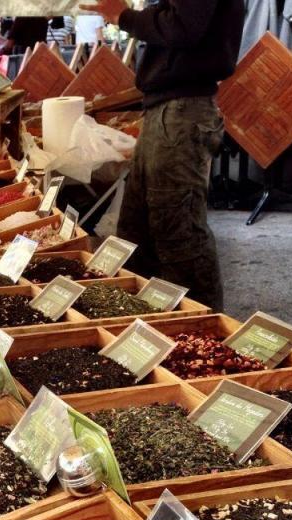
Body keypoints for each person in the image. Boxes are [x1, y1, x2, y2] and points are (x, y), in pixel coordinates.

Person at [84, 0, 244, 310]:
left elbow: (182, 27)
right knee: (137, 227)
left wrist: (124, 15)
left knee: (178, 232)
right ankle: (144, 324)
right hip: (169, 108)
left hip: (181, 109)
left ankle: (203, 331)